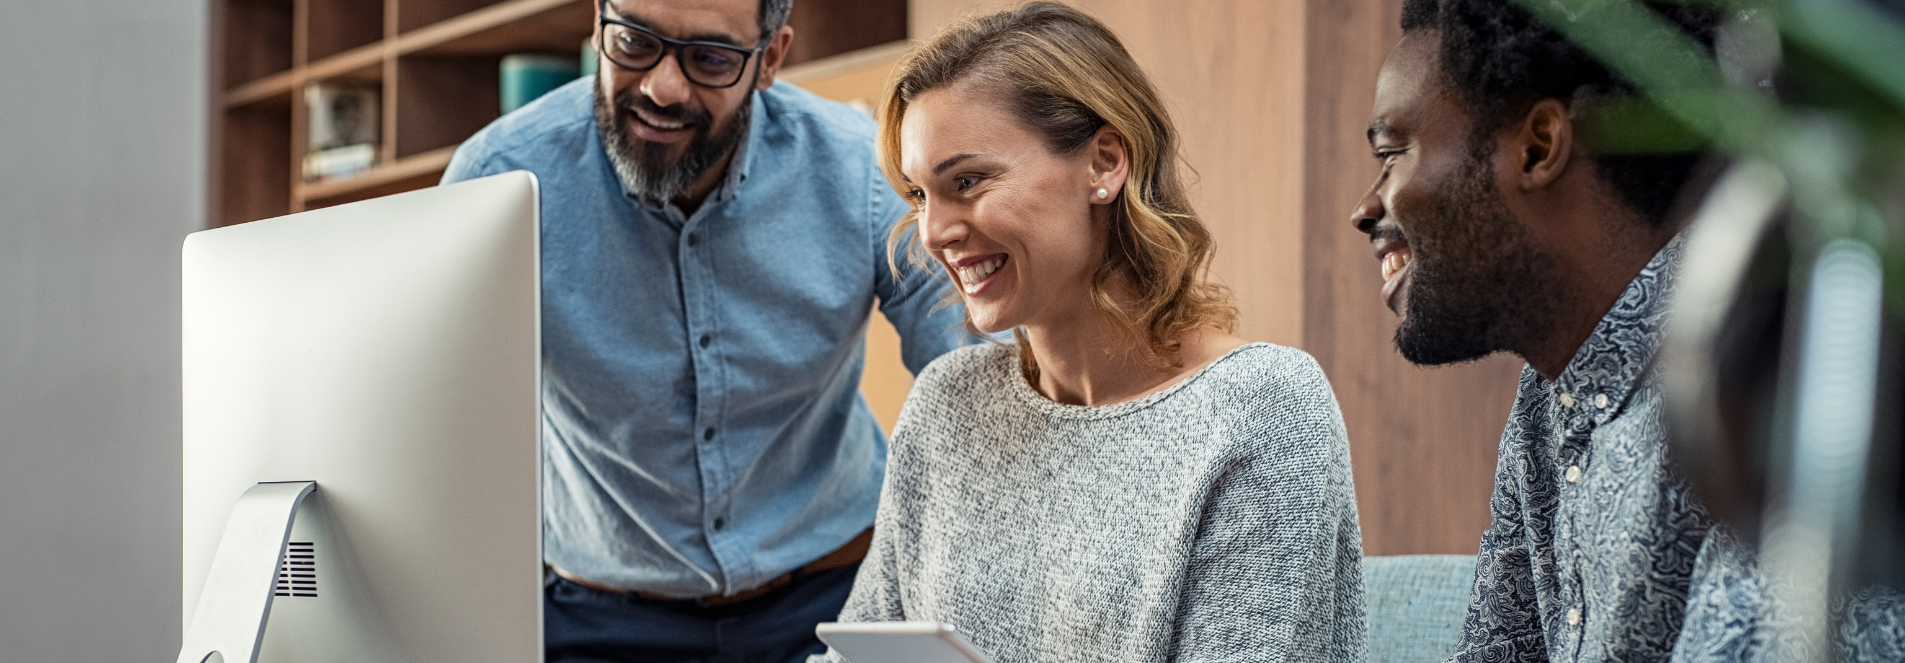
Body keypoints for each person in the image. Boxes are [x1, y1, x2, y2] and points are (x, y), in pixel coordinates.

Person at [1351, 1, 1905, 661]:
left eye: (1393, 153)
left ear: (1537, 147)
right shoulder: (1544, 400)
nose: (1365, 207)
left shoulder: (1759, 356)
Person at [816, 4, 1367, 662]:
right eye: (919, 195)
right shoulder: (946, 405)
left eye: (967, 181)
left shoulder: (1260, 407)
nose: (933, 232)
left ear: (1104, 163)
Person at [439, 0, 970, 660]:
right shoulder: (497, 181)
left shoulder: (859, 170)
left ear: (770, 58)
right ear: (598, 22)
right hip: (600, 617)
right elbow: (443, 434)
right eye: (633, 42)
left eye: (710, 59)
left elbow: (974, 392)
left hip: (837, 593)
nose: (662, 88)